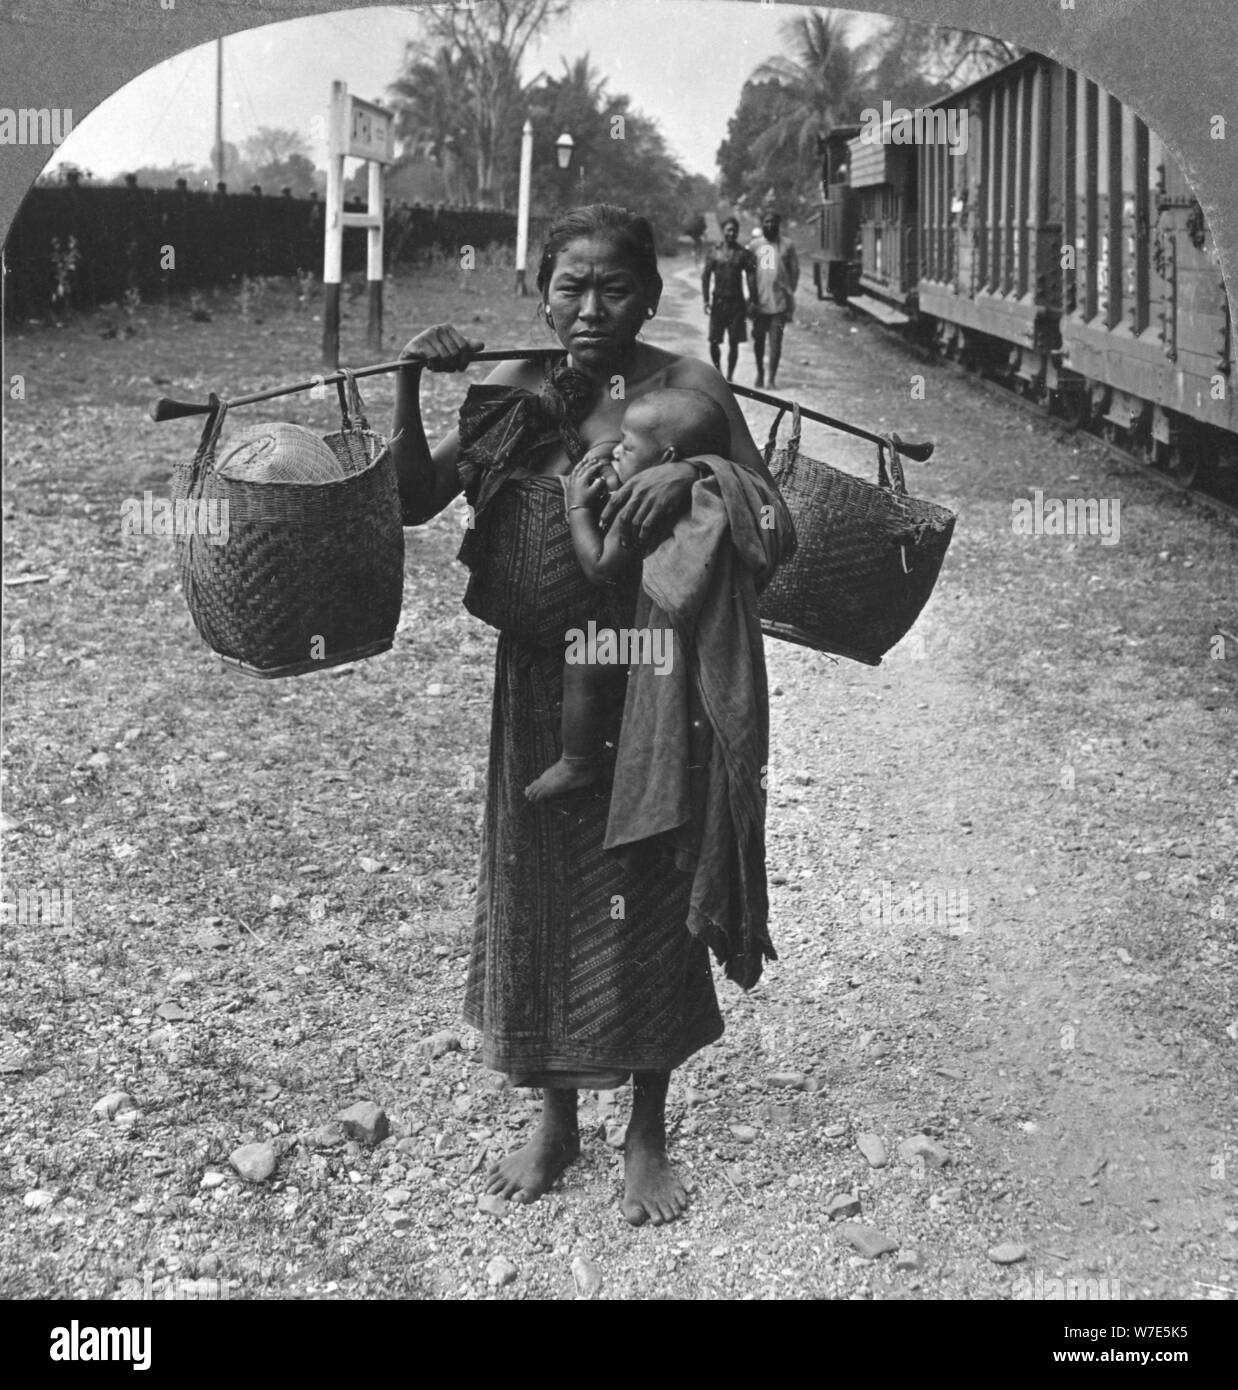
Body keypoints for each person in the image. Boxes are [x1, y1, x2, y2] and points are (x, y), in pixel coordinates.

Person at [389, 203, 794, 1227]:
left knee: (648, 878)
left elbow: (774, 520)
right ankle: (555, 1117)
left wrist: (693, 476)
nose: (588, 308)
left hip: (652, 677)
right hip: (536, 680)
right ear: (539, 292)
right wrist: (406, 380)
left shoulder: (688, 391)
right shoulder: (508, 392)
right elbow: (408, 498)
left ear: (652, 296)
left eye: (613, 286)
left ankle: (646, 1129)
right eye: (568, 286)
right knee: (537, 886)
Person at [525, 388, 732, 802]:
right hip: (695, 641)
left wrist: (577, 507)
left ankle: (577, 763)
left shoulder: (640, 504)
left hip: (659, 644)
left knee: (583, 657)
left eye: (628, 447)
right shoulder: (701, 496)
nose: (617, 451)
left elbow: (600, 568)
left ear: (667, 459)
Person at [701, 216, 757, 383]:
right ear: (723, 232)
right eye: (728, 230)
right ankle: (719, 372)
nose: (731, 234)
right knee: (714, 342)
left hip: (736, 303)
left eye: (734, 230)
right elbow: (705, 277)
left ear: (737, 232)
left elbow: (751, 277)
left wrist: (751, 300)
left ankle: (730, 377)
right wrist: (705, 300)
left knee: (734, 342)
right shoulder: (714, 251)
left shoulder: (743, 253)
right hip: (718, 302)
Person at [750, 209, 799, 389]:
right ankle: (760, 374)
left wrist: (788, 291)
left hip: (779, 303)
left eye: (773, 222)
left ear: (779, 225)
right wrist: (751, 299)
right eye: (766, 222)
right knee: (759, 341)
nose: (770, 225)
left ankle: (771, 377)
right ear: (762, 224)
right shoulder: (754, 245)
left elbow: (795, 271)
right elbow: (749, 274)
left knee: (776, 342)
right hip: (759, 303)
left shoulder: (787, 245)